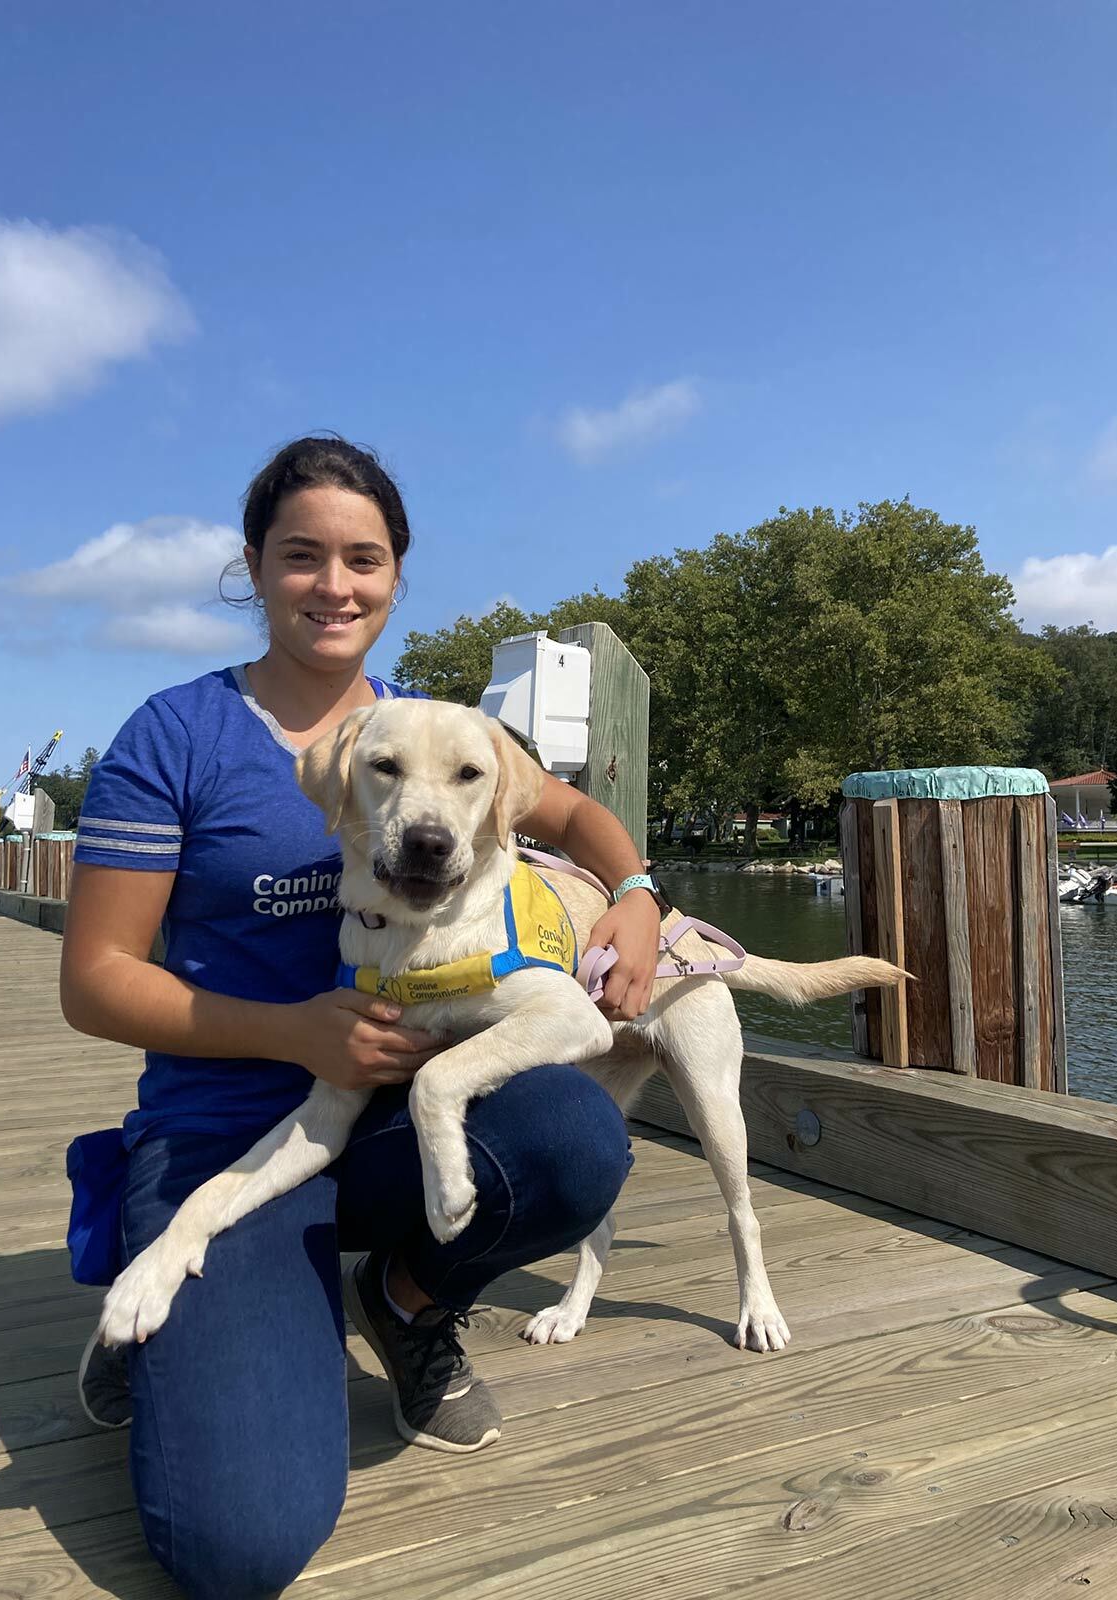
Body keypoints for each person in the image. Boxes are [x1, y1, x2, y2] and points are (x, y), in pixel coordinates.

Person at [61, 434, 664, 1599]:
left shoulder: (436, 729)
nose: (334, 584)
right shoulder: (175, 737)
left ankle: (403, 1299)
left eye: (364, 558)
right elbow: (94, 980)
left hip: (385, 1118)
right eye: (302, 555)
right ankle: (177, 1295)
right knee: (238, 1548)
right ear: (253, 565)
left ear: (394, 575)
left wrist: (635, 898)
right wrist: (295, 1032)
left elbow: (571, 810)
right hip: (230, 1117)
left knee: (579, 1135)